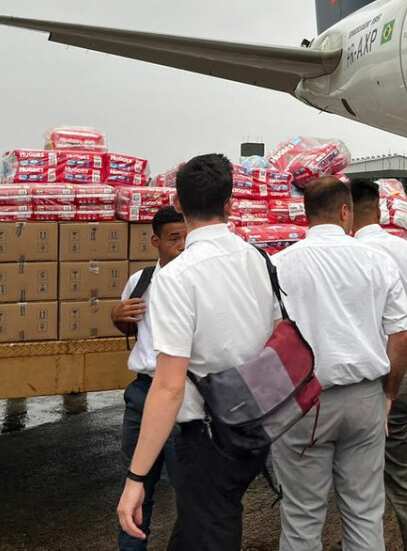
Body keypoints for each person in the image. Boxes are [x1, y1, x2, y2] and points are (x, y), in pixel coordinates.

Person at [116, 154, 278, 550]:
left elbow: (169, 385)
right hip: (253, 422)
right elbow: (272, 335)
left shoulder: (176, 276)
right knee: (209, 523)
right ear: (229, 204)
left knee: (211, 530)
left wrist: (136, 479)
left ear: (179, 203)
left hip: (206, 432)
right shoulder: (258, 258)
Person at [271, 176, 407, 551]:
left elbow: (264, 339)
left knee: (302, 517)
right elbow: (401, 335)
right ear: (345, 211)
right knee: (365, 512)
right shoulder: (376, 262)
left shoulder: (279, 265)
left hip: (303, 402)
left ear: (306, 214)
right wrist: (388, 395)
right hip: (364, 397)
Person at [351, 178, 407, 550]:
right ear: (381, 210)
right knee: (402, 476)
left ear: (345, 211)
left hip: (365, 379)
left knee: (354, 479)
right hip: (406, 372)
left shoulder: (351, 255)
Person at [110, 206, 186, 551]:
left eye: (186, 237)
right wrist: (116, 316)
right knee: (137, 484)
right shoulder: (140, 282)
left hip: (183, 396)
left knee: (189, 489)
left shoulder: (196, 281)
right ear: (155, 241)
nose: (182, 245)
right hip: (143, 391)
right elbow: (129, 324)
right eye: (174, 238)